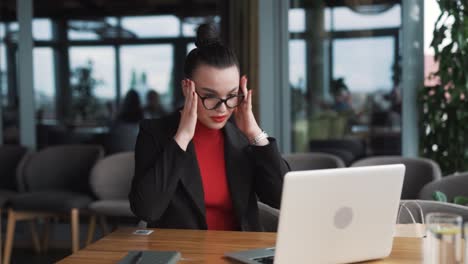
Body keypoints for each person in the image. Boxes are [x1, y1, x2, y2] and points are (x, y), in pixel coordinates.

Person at [129, 24, 289, 231]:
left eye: (231, 95)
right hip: (182, 254)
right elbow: (147, 210)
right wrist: (183, 137)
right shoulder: (154, 133)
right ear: (187, 89)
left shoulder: (242, 136)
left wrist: (254, 134)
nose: (223, 108)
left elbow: (283, 198)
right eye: (210, 96)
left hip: (240, 252)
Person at [106, 89, 143, 154]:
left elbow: (110, 127)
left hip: (116, 156)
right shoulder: (144, 119)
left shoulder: (119, 119)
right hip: (136, 155)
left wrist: (111, 112)